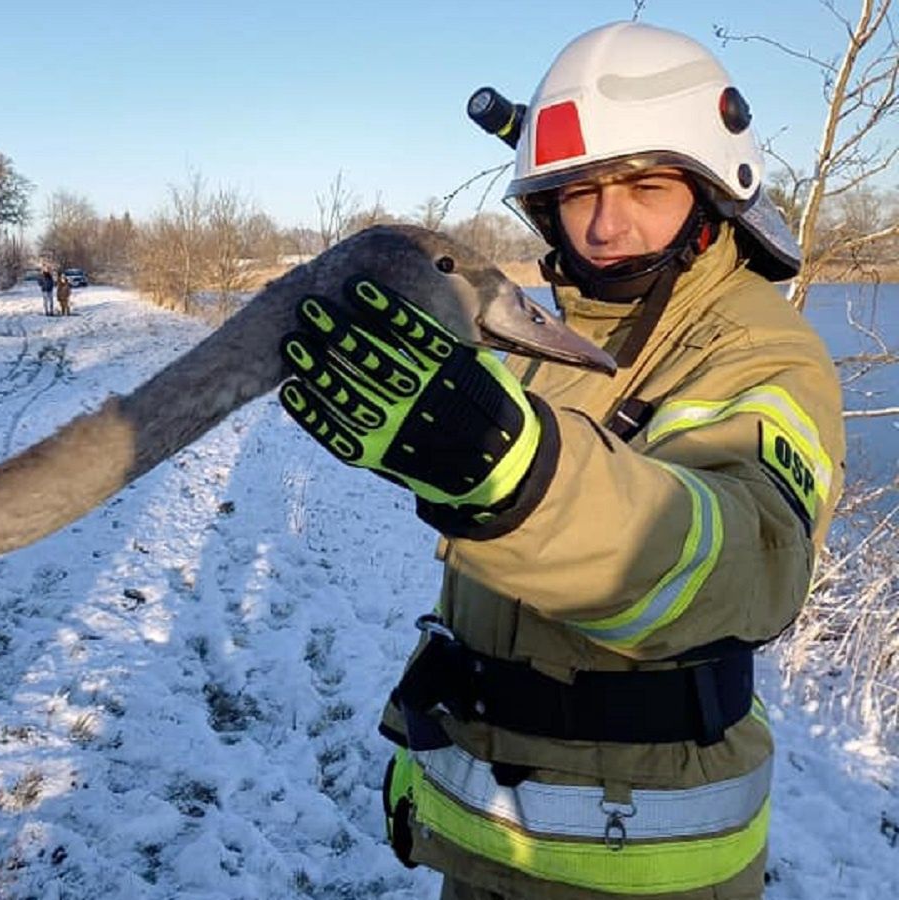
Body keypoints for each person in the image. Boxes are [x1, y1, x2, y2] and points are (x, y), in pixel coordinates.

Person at [280, 21, 845, 900]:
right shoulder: (564, 332)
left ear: (708, 190)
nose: (607, 223)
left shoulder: (763, 345)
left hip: (649, 863)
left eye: (646, 185)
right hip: (498, 846)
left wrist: (515, 473)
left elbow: (751, 563)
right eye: (578, 192)